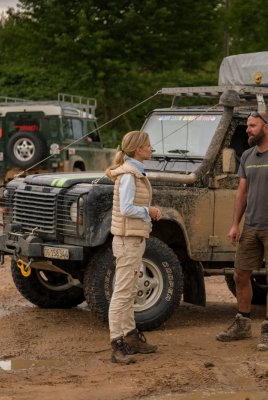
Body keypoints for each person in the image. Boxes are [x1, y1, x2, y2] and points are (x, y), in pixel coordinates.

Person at [217, 109, 268, 351]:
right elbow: (242, 193)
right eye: (248, 126)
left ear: (266, 127)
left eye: (252, 126)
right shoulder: (248, 156)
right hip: (251, 226)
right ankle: (242, 323)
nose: (248, 129)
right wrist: (235, 224)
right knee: (240, 274)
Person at [105, 130, 163, 365]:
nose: (151, 148)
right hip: (128, 240)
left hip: (131, 239)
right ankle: (116, 343)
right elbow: (127, 208)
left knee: (128, 291)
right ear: (138, 150)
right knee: (121, 293)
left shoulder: (133, 172)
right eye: (148, 145)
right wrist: (148, 211)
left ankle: (130, 336)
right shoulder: (130, 175)